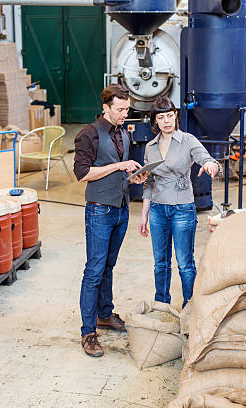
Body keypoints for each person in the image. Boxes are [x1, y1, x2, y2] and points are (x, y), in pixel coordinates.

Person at [73, 84, 147, 357]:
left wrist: (133, 176)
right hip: (99, 210)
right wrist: (118, 166)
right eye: (120, 109)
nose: (124, 114)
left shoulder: (122, 134)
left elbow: (118, 170)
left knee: (109, 265)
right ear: (106, 107)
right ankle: (88, 332)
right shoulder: (88, 134)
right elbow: (82, 174)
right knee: (94, 269)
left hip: (120, 207)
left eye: (127, 109)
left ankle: (105, 314)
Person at [138, 96, 220, 308]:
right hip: (157, 209)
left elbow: (205, 157)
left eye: (170, 116)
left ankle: (190, 307)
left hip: (182, 209)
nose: (166, 121)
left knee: (185, 264)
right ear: (155, 121)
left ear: (176, 117)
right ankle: (161, 305)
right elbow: (148, 181)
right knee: (160, 264)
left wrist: (211, 165)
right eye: (161, 117)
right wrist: (144, 215)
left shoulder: (188, 141)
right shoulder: (150, 147)